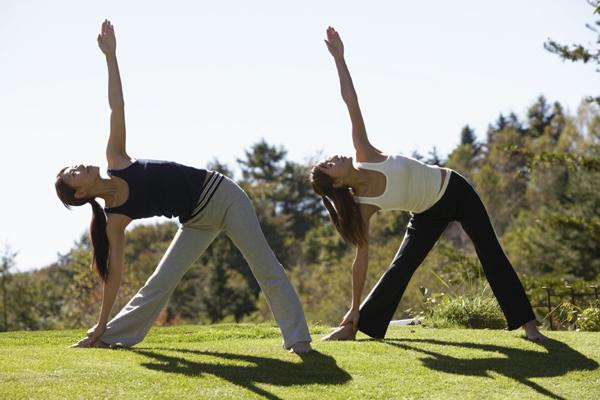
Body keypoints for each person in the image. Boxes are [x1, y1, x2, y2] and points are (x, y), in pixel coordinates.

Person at [55, 20, 312, 354]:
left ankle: (298, 340)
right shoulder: (114, 220)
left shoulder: (115, 158)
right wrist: (101, 322)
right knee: (158, 284)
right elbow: (113, 276)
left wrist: (111, 57)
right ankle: (107, 336)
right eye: (73, 174)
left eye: (74, 166)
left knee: (264, 266)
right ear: (80, 194)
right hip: (196, 220)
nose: (79, 167)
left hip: (223, 195)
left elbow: (116, 107)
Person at [310, 27, 545, 341]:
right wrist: (353, 306)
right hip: (426, 214)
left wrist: (339, 59)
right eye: (330, 165)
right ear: (336, 181)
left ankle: (530, 327)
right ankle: (355, 326)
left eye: (329, 159)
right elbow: (360, 260)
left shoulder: (364, 152)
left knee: (490, 252)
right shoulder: (363, 205)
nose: (333, 157)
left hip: (455, 190)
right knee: (400, 268)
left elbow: (350, 100)